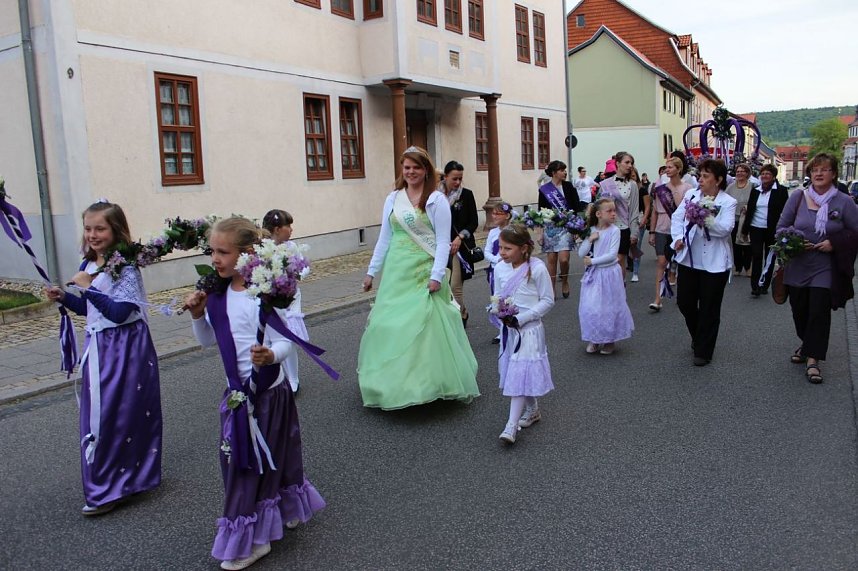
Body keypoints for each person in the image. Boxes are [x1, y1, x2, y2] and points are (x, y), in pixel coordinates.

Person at [184, 217, 325, 570]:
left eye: (223, 252)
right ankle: (260, 523)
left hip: (269, 394)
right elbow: (207, 342)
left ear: (246, 253)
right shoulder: (216, 297)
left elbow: (286, 342)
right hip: (238, 397)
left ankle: (259, 534)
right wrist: (198, 316)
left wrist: (271, 355)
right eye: (212, 251)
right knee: (242, 464)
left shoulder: (263, 295)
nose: (215, 259)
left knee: (277, 455)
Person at [45, 201, 162, 517]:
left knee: (118, 415)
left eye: (100, 228)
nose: (93, 235)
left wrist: (90, 287)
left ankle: (122, 482)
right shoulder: (88, 264)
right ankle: (109, 483)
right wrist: (66, 298)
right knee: (104, 415)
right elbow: (90, 310)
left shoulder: (125, 266)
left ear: (116, 230)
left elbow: (120, 311)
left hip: (126, 347)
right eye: (88, 228)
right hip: (100, 346)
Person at [359, 146, 479, 409]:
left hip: (422, 270)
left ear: (426, 170)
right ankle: (389, 383)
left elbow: (441, 241)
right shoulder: (393, 199)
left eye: (416, 167)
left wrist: (437, 275)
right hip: (396, 270)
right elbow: (384, 238)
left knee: (423, 326)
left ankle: (426, 383)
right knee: (388, 325)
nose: (411, 172)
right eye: (406, 167)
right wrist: (371, 271)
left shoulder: (436, 201)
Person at [777, 153, 858, 384]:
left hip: (825, 267)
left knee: (818, 312)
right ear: (810, 174)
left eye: (824, 170)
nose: (819, 174)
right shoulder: (798, 198)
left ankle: (813, 359)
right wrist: (792, 240)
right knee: (799, 311)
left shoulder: (844, 201)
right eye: (815, 170)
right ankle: (806, 343)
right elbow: (781, 227)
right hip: (798, 265)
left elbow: (856, 233)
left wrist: (835, 242)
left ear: (833, 174)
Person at [492, 224, 554, 444]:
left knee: (518, 375)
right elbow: (498, 295)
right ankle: (533, 409)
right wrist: (497, 311)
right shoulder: (500, 268)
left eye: (507, 248)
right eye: (500, 247)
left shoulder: (536, 268)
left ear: (524, 248)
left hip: (529, 331)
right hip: (510, 331)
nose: (502, 252)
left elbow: (548, 300)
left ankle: (510, 427)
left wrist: (523, 318)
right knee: (519, 372)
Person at [671, 159, 737, 366]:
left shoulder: (728, 202)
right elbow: (678, 218)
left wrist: (704, 218)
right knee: (685, 303)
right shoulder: (691, 195)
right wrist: (677, 239)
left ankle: (704, 350)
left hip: (714, 263)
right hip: (689, 258)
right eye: (700, 175)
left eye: (706, 176)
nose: (701, 179)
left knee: (710, 307)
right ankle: (699, 335)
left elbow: (725, 229)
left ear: (718, 180)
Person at [577, 198, 635, 355]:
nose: (613, 214)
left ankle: (610, 340)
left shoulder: (614, 231)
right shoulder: (591, 230)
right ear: (599, 214)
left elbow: (611, 255)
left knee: (609, 306)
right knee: (592, 306)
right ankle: (595, 338)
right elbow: (581, 253)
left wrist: (592, 261)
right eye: (609, 211)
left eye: (614, 210)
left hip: (609, 273)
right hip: (594, 275)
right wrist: (590, 240)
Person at [262, 209, 308, 393]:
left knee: (289, 336)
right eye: (288, 226)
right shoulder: (264, 248)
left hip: (290, 298)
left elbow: (304, 266)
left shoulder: (291, 247)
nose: (291, 229)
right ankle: (274, 375)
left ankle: (294, 380)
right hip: (271, 298)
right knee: (272, 338)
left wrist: (297, 273)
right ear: (277, 229)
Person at [648, 157, 693, 311]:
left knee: (681, 262)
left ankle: (681, 293)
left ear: (678, 169)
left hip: (678, 230)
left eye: (670, 167)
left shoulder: (688, 188)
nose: (667, 170)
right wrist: (652, 232)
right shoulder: (659, 189)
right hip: (661, 228)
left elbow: (688, 211)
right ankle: (657, 299)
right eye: (666, 167)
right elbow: (654, 211)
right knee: (661, 262)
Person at [538, 160, 585, 299]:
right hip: (550, 228)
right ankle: (551, 289)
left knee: (564, 260)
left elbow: (577, 208)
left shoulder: (569, 187)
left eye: (565, 170)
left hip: (566, 227)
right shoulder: (544, 189)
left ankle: (564, 281)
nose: (564, 172)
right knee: (551, 260)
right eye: (561, 170)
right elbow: (541, 211)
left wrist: (577, 228)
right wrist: (540, 233)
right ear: (553, 172)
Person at [440, 160, 479, 327]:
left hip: (459, 248)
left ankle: (460, 314)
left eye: (460, 179)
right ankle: (455, 313)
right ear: (445, 176)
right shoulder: (436, 195)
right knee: (443, 287)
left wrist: (460, 237)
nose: (457, 182)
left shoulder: (467, 194)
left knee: (455, 285)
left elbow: (474, 222)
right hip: (440, 246)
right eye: (454, 178)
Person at [742, 163, 789, 296]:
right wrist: (745, 230)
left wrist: (784, 230)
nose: (764, 176)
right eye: (762, 174)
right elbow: (750, 211)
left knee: (770, 257)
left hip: (772, 229)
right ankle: (755, 285)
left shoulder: (781, 191)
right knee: (756, 256)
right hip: (756, 227)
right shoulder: (756, 190)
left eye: (767, 174)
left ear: (773, 176)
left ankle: (764, 284)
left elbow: (786, 212)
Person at [596, 151, 640, 281]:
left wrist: (634, 232)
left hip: (623, 227)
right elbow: (598, 205)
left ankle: (620, 289)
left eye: (631, 163)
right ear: (618, 164)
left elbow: (634, 209)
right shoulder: (605, 184)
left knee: (620, 259)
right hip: (607, 228)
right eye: (627, 162)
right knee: (607, 261)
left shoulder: (632, 185)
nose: (630, 165)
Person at [484, 201, 514, 344]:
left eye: (498, 213)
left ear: (507, 216)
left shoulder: (513, 231)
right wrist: (496, 260)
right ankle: (501, 328)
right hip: (496, 269)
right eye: (493, 213)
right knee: (498, 296)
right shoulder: (492, 232)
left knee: (511, 297)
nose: (494, 216)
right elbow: (487, 251)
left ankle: (513, 323)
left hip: (511, 269)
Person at [724, 164, 754, 277]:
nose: (739, 173)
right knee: (735, 244)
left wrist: (748, 207)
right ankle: (737, 266)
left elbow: (755, 202)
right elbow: (724, 200)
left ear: (747, 173)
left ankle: (748, 267)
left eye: (742, 171)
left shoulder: (752, 186)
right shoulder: (731, 187)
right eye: (738, 171)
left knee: (746, 243)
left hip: (746, 219)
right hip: (733, 219)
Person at [628, 168, 650, 282]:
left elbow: (647, 206)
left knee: (636, 246)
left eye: (633, 176)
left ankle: (635, 272)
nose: (631, 178)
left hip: (639, 218)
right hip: (625, 219)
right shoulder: (625, 189)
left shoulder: (642, 190)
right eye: (629, 176)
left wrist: (645, 219)